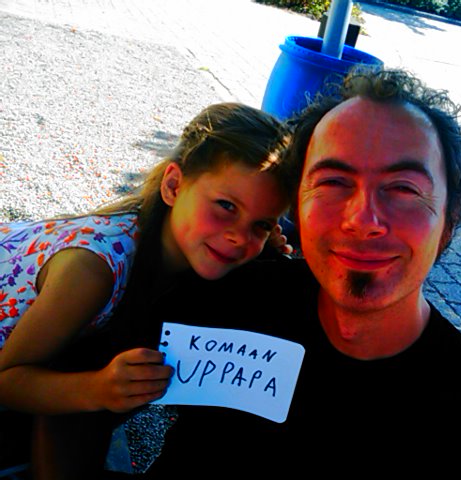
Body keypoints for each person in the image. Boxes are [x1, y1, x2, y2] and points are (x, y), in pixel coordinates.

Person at [102, 67, 461, 478]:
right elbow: (89, 392)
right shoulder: (229, 291)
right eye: (333, 182)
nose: (362, 220)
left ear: (450, 219)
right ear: (297, 207)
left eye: (404, 188)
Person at [0, 102, 294, 478]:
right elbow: (6, 380)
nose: (239, 236)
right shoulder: (93, 272)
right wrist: (97, 389)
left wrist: (266, 252)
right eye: (226, 206)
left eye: (262, 224)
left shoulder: (178, 245)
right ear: (174, 186)